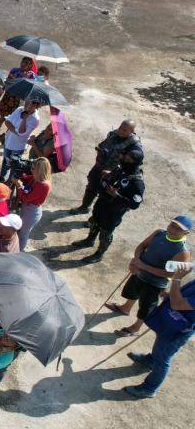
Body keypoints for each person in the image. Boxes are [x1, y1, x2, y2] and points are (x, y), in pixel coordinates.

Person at [104, 216, 192, 337]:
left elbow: (171, 274)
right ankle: (125, 308)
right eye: (172, 225)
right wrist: (136, 259)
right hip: (139, 273)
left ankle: (136, 327)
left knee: (146, 308)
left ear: (186, 232)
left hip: (155, 284)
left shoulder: (183, 252)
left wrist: (142, 266)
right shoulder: (159, 233)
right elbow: (142, 246)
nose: (173, 229)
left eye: (178, 229)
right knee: (133, 292)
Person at [123, 266, 195, 398]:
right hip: (173, 319)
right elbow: (183, 299)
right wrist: (170, 296)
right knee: (160, 344)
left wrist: (177, 278)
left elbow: (178, 304)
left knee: (164, 357)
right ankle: (151, 360)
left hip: (180, 328)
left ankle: (150, 388)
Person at [74, 148, 146, 262]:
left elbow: (134, 204)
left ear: (135, 163)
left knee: (105, 232)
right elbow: (111, 178)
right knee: (94, 222)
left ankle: (99, 254)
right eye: (125, 157)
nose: (124, 160)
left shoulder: (137, 182)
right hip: (102, 202)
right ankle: (89, 240)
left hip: (114, 211)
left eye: (128, 160)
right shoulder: (120, 169)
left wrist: (116, 195)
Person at [73, 119, 141, 214]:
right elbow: (104, 144)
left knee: (105, 196)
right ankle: (84, 207)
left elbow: (134, 164)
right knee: (91, 187)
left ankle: (95, 219)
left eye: (125, 130)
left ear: (132, 132)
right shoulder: (113, 134)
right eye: (120, 128)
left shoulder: (134, 145)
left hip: (113, 174)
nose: (121, 131)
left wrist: (116, 172)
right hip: (100, 166)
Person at [0, 100, 41, 181]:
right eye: (27, 101)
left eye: (31, 103)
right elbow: (7, 121)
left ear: (36, 105)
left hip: (18, 147)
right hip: (8, 141)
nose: (27, 104)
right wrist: (14, 130)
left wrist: (24, 119)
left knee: (15, 165)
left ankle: (10, 182)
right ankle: (2, 178)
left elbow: (21, 132)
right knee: (6, 161)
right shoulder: (20, 109)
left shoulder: (35, 119)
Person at [14, 158, 53, 250]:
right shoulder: (36, 178)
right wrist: (19, 173)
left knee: (23, 234)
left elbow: (26, 198)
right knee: (20, 231)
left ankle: (17, 252)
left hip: (31, 212)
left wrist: (18, 185)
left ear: (40, 170)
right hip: (27, 208)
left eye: (33, 168)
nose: (31, 170)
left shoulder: (44, 185)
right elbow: (26, 177)